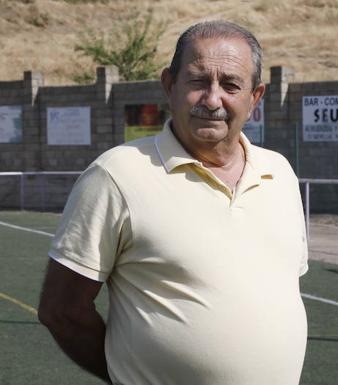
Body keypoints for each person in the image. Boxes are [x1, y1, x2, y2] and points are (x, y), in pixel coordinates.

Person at [38, 20, 308, 385]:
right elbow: (61, 310)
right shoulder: (116, 174)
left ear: (255, 97)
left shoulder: (280, 173)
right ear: (169, 85)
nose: (213, 100)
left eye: (231, 85)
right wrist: (125, 374)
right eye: (198, 81)